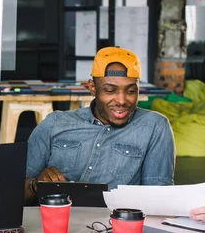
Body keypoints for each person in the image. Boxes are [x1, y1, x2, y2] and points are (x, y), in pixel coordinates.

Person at [24, 46, 175, 203]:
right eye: (110, 90)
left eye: (131, 91)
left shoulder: (154, 127)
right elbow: (14, 191)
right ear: (92, 88)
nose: (122, 100)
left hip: (114, 224)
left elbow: (159, 198)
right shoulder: (55, 124)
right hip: (56, 220)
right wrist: (35, 185)